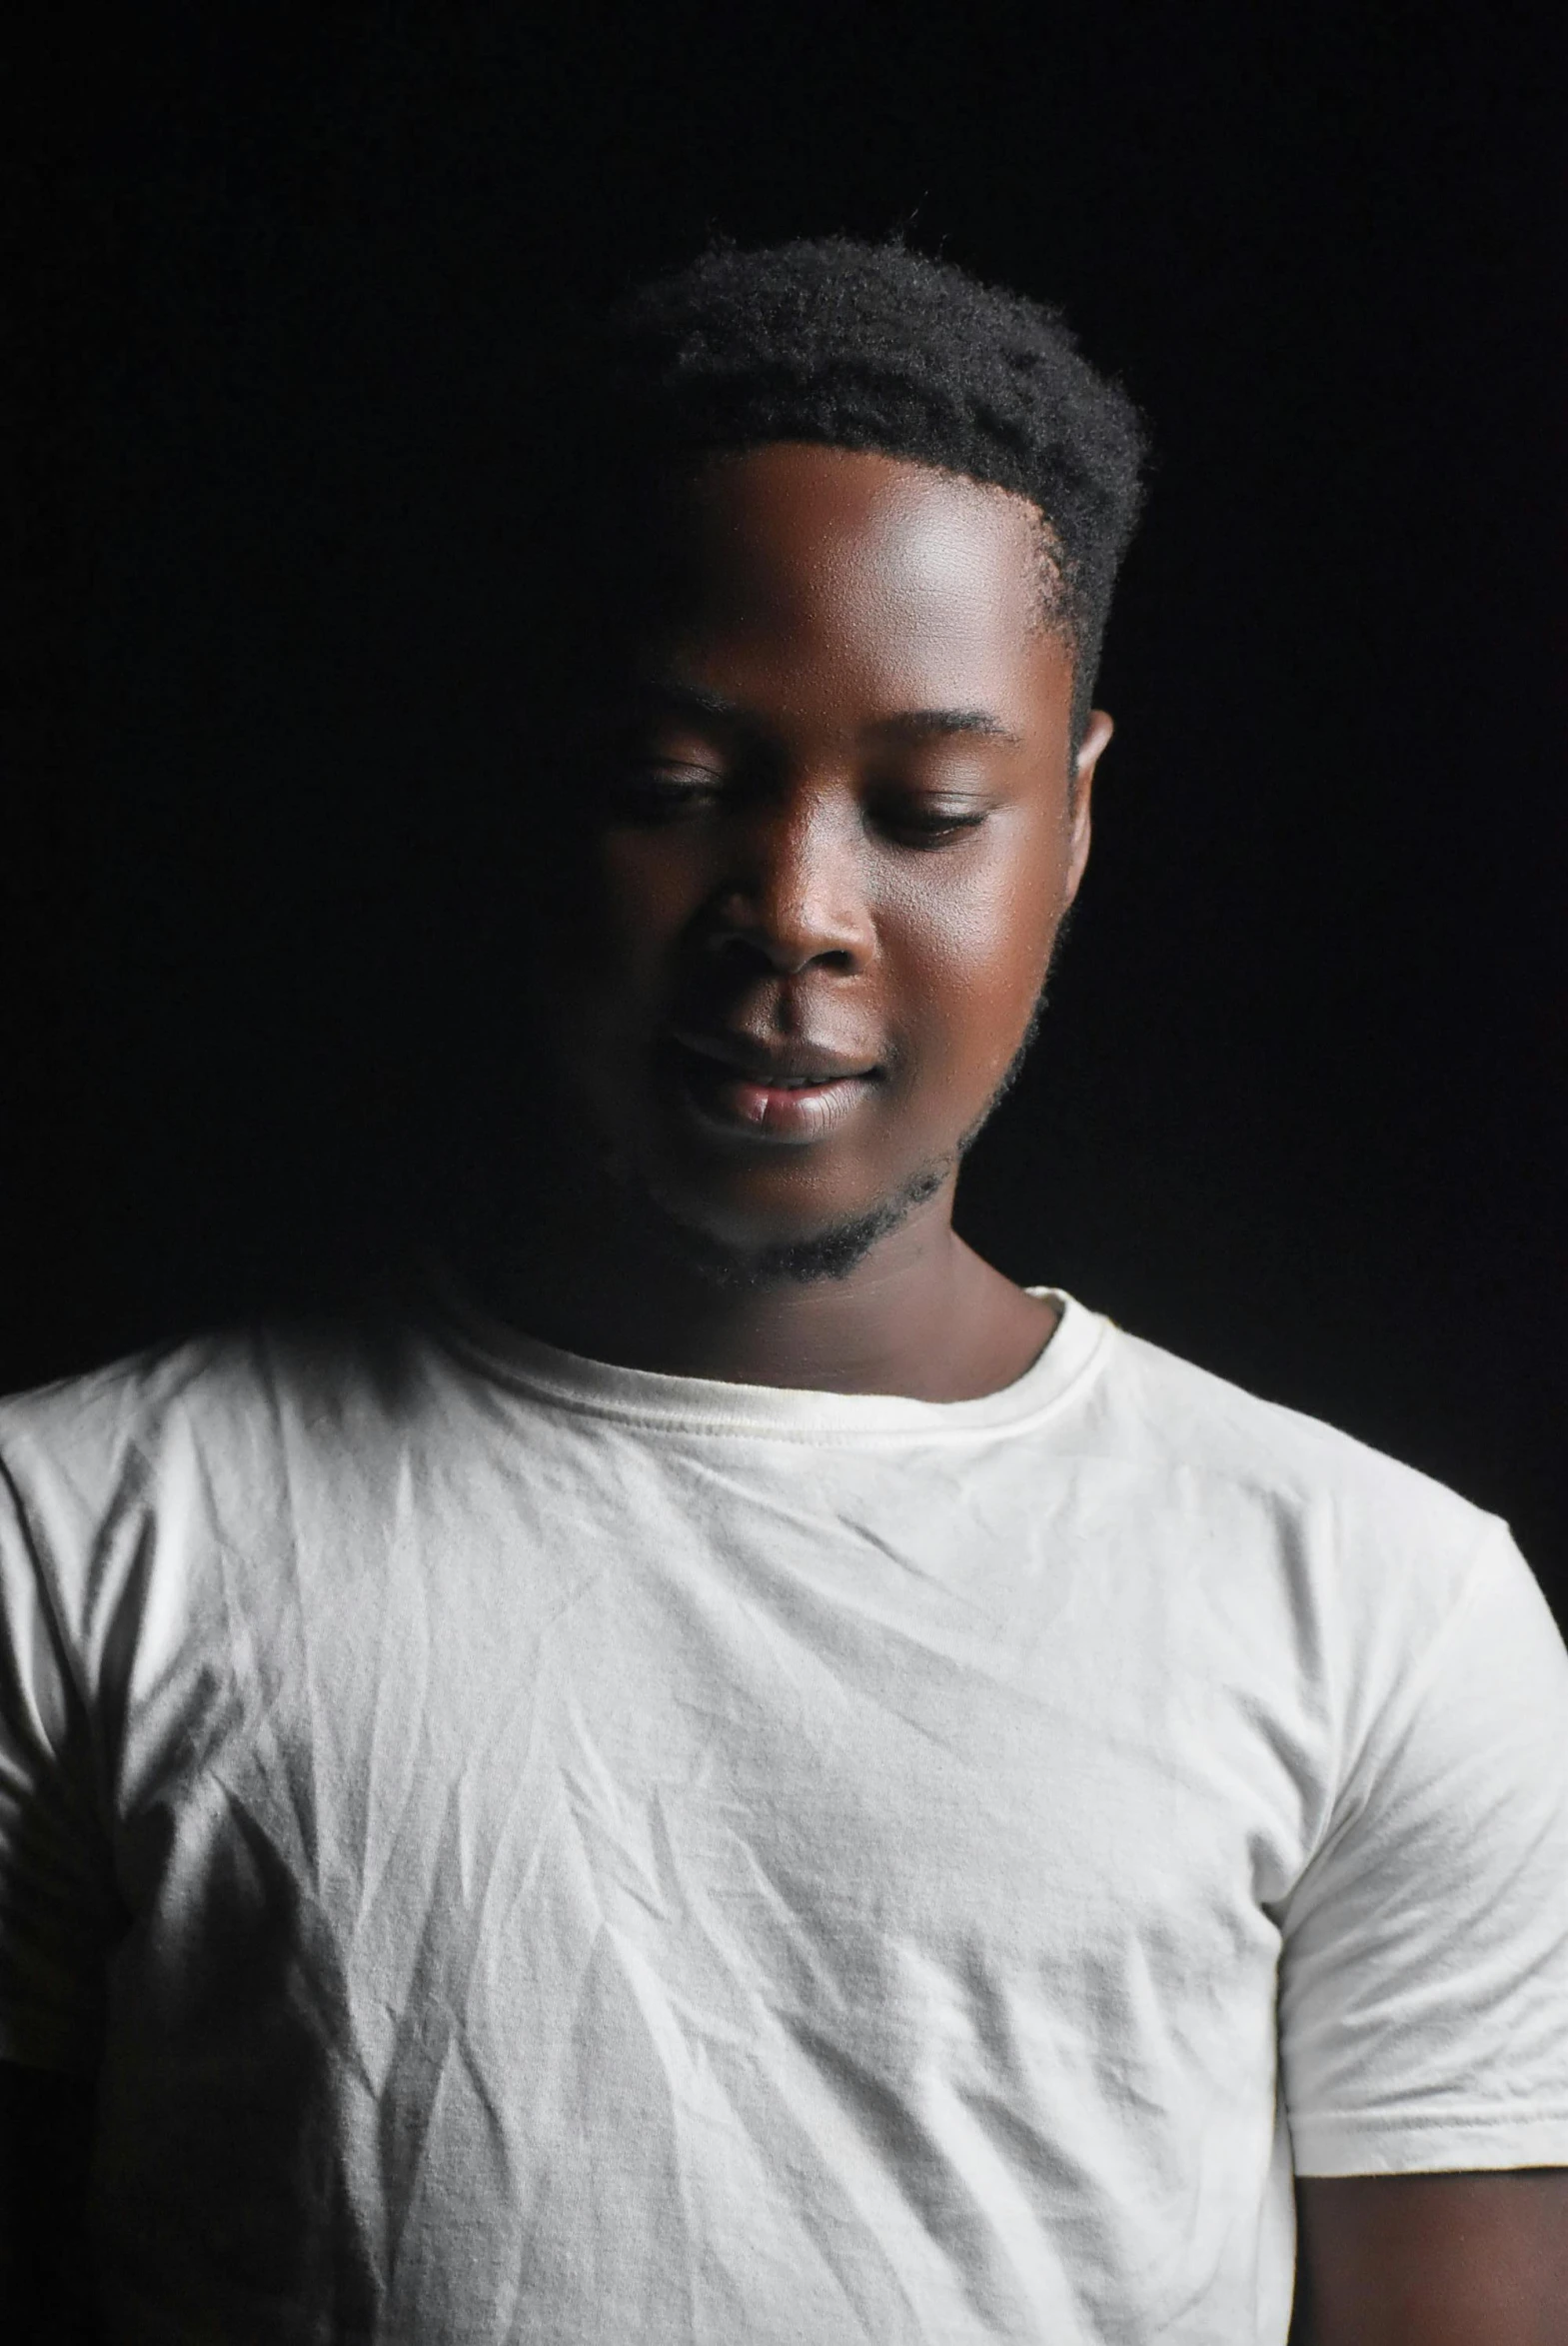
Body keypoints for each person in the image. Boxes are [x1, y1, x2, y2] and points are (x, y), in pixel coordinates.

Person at [1, 235, 1565, 2345]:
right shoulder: (78, 1538)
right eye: (674, 786)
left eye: (929, 811)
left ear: (1071, 822)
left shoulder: (1380, 1608)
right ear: (530, 771)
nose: (797, 913)